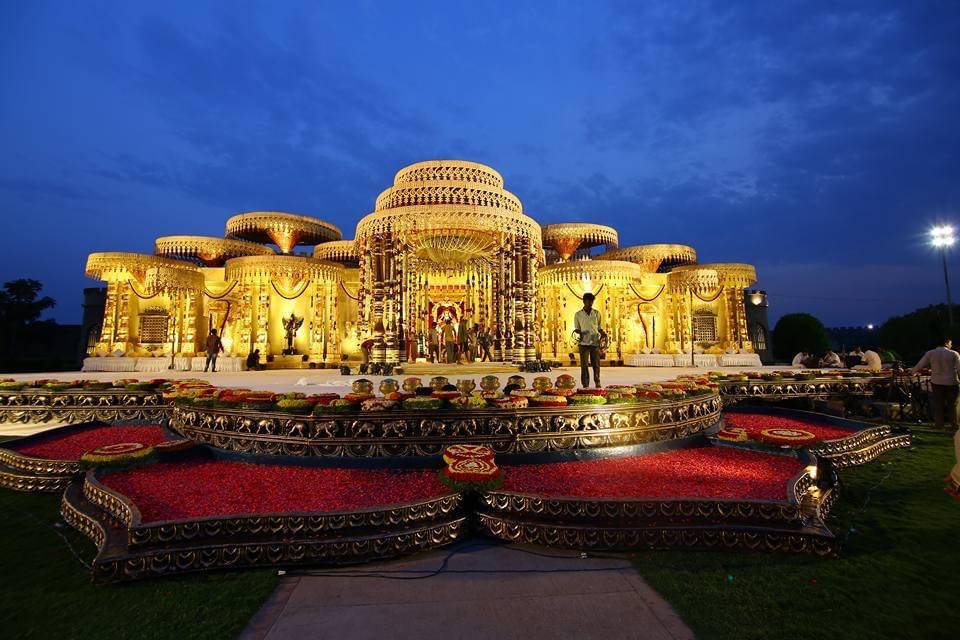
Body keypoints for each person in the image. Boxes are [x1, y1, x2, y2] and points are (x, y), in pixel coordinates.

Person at [912, 337, 960, 431]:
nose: (951, 345)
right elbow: (959, 368)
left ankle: (939, 424)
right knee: (952, 405)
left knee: (938, 404)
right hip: (952, 382)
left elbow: (920, 365)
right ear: (946, 343)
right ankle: (954, 425)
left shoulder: (930, 353)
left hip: (937, 382)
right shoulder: (954, 353)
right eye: (950, 343)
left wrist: (912, 372)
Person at [573, 293, 605, 388]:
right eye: (588, 301)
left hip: (595, 342)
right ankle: (585, 384)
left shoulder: (596, 313)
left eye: (591, 302)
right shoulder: (578, 314)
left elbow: (599, 327)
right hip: (583, 343)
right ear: (584, 301)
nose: (590, 303)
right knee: (584, 365)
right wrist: (580, 333)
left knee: (596, 364)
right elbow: (577, 328)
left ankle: (597, 381)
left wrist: (602, 333)